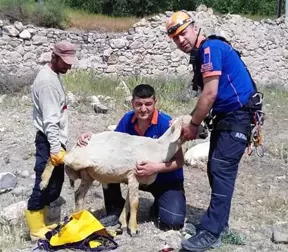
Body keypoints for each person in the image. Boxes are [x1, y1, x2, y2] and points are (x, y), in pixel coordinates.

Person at [165, 10, 263, 251]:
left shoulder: (210, 49)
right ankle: (219, 223)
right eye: (175, 38)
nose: (181, 40)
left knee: (221, 168)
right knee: (215, 167)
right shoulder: (202, 53)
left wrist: (193, 124)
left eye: (183, 33)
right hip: (227, 117)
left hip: (238, 116)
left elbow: (210, 94)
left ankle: (212, 231)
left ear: (194, 27)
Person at [77, 84, 187, 231]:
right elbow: (111, 144)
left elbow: (179, 161)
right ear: (132, 103)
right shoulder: (127, 120)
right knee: (109, 163)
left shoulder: (166, 124)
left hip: (164, 179)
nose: (143, 109)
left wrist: (155, 167)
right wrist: (92, 137)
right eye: (138, 104)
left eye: (148, 104)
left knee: (172, 222)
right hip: (134, 175)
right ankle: (115, 209)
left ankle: (158, 206)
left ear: (155, 102)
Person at [25, 41, 78, 241]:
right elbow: (49, 121)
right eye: (65, 62)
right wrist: (55, 149)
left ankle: (43, 221)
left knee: (55, 184)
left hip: (53, 140)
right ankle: (36, 229)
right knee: (44, 183)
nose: (68, 66)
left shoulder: (53, 75)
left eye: (71, 62)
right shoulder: (48, 82)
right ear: (53, 56)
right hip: (49, 140)